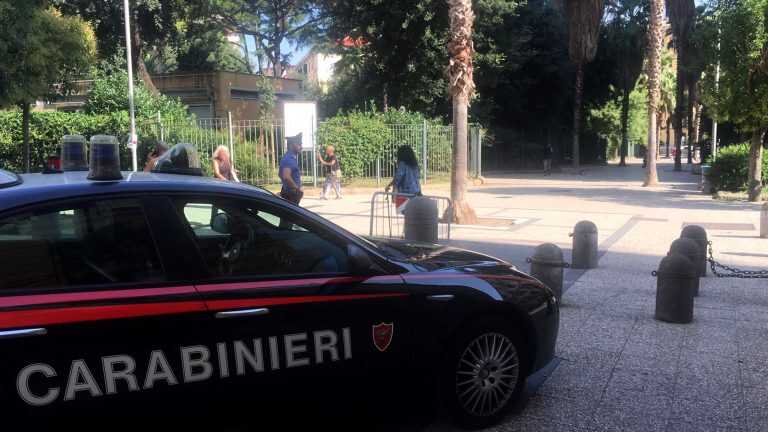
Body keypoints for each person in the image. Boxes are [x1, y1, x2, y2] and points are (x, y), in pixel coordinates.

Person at [385, 145, 421, 212]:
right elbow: (417, 180)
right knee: (413, 215)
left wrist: (393, 194)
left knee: (407, 214)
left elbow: (397, 179)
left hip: (405, 195)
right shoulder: (415, 165)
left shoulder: (402, 164)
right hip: (416, 193)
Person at [279, 133, 303, 205]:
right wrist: (297, 188)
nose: (301, 147)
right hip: (291, 194)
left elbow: (280, 174)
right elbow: (286, 176)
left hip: (289, 192)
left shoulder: (289, 157)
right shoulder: (289, 159)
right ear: (291, 145)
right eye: (299, 144)